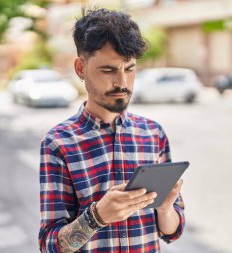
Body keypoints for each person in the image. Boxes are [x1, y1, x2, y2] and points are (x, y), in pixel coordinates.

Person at [39, 8, 185, 253]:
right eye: (108, 70)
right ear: (80, 68)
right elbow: (50, 246)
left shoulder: (153, 134)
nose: (122, 83)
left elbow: (171, 230)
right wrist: (96, 217)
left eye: (129, 69)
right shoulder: (58, 143)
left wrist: (165, 209)